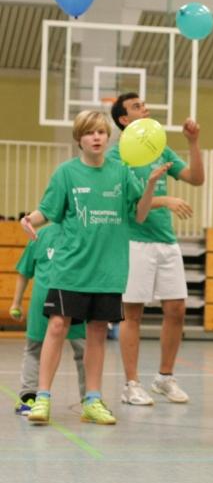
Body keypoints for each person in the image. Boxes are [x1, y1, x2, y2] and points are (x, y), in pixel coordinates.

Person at [21, 110, 165, 425]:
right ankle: (42, 398)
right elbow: (47, 211)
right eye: (89, 132)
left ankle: (92, 400)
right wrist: (28, 220)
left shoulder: (122, 172)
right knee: (56, 326)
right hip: (71, 268)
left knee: (97, 332)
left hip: (109, 270)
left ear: (108, 137)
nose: (96, 137)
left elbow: (139, 215)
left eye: (101, 132)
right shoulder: (66, 173)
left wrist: (151, 184)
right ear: (79, 139)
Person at [108, 93, 205, 406]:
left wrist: (193, 142)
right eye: (136, 106)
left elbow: (196, 178)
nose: (145, 108)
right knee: (132, 314)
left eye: (144, 104)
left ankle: (164, 378)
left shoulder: (159, 147)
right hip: (134, 241)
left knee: (176, 309)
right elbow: (125, 202)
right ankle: (131, 384)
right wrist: (164, 200)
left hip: (166, 240)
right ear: (123, 119)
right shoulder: (116, 156)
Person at [9, 223, 87, 414]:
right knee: (34, 348)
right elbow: (24, 271)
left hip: (75, 299)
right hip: (42, 304)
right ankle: (28, 396)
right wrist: (16, 303)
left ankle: (89, 399)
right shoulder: (40, 235)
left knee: (84, 350)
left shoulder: (84, 234)